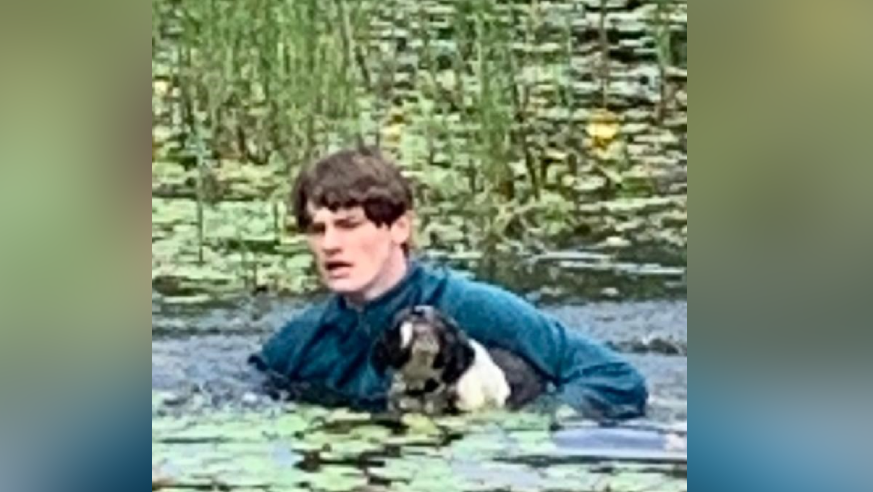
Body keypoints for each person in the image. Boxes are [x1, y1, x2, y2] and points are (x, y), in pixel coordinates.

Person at [249, 146, 648, 420]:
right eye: (318, 230)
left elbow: (617, 380)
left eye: (349, 225)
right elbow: (250, 394)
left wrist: (528, 428)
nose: (331, 245)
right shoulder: (299, 344)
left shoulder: (475, 307)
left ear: (399, 227)